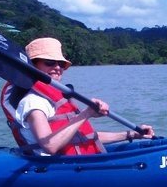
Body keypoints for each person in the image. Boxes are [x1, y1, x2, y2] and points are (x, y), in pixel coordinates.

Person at [12, 37, 155, 155]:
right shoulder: (34, 102)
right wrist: (86, 114)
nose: (57, 67)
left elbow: (83, 136)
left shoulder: (55, 98)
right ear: (33, 67)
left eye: (61, 64)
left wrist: (130, 135)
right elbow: (50, 146)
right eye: (49, 63)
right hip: (55, 168)